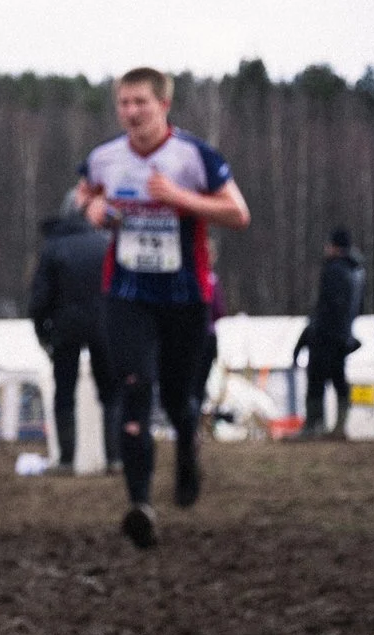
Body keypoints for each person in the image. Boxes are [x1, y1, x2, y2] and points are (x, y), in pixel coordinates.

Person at [76, 67, 250, 549]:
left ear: (164, 105)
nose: (131, 112)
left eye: (141, 103)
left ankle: (188, 445)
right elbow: (85, 190)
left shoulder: (194, 157)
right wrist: (92, 209)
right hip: (127, 294)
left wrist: (179, 198)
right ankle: (140, 506)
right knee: (134, 388)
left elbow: (238, 213)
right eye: (124, 103)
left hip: (184, 297)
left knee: (177, 399)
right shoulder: (106, 157)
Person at [26, 190, 117, 472]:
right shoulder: (106, 244)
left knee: (64, 393)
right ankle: (115, 459)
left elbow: (39, 298)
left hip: (65, 328)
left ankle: (66, 460)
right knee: (110, 394)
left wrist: (43, 334)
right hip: (104, 326)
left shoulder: (53, 246)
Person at [292, 228, 365, 438]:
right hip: (343, 335)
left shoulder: (334, 269)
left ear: (335, 246)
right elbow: (356, 307)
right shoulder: (357, 271)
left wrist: (311, 333)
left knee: (316, 379)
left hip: (325, 336)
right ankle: (339, 427)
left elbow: (326, 307)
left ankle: (314, 426)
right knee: (339, 378)